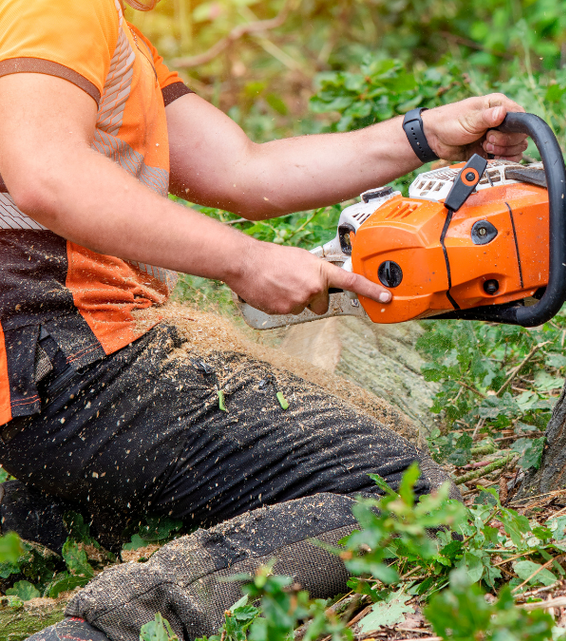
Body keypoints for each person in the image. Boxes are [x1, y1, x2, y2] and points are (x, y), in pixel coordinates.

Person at [0, 0, 529, 639]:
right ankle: (110, 626)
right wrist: (244, 261)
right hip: (73, 359)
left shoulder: (109, 34)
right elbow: (45, 173)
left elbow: (246, 171)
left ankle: (32, 524)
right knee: (404, 495)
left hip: (44, 377)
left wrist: (422, 136)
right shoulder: (62, 7)